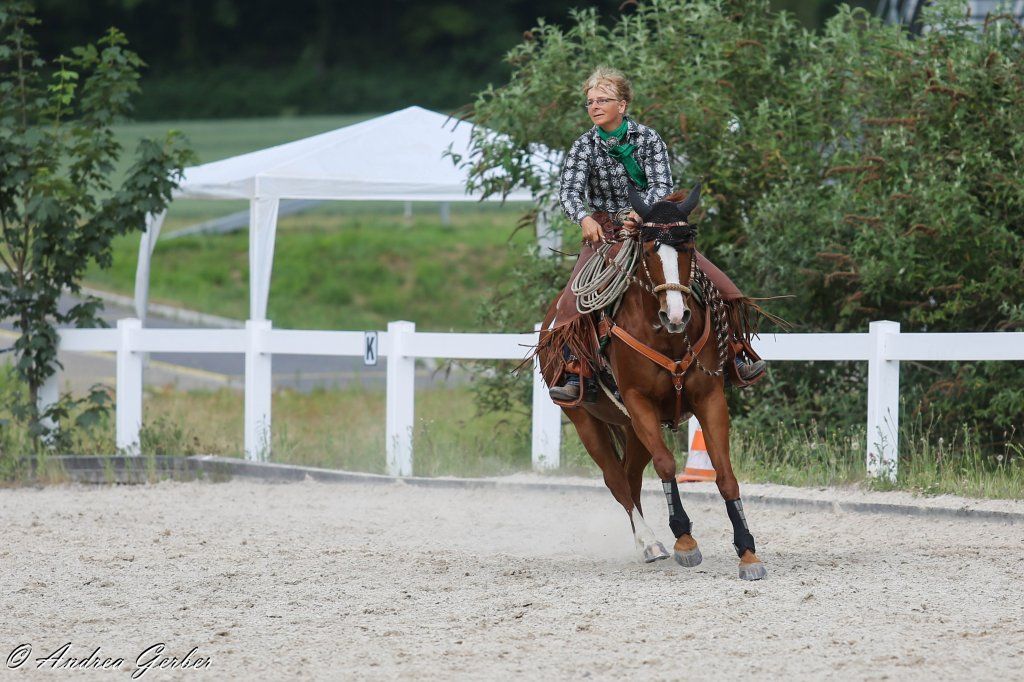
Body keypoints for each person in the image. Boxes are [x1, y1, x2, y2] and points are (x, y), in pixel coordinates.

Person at [549, 67, 765, 402]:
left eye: (603, 100)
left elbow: (663, 184)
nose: (594, 106)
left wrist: (642, 211)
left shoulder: (648, 139)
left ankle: (736, 352)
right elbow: (569, 192)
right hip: (605, 234)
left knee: (717, 282)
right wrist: (583, 219)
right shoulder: (583, 147)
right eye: (590, 101)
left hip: (653, 226)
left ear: (622, 105)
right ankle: (577, 372)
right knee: (571, 302)